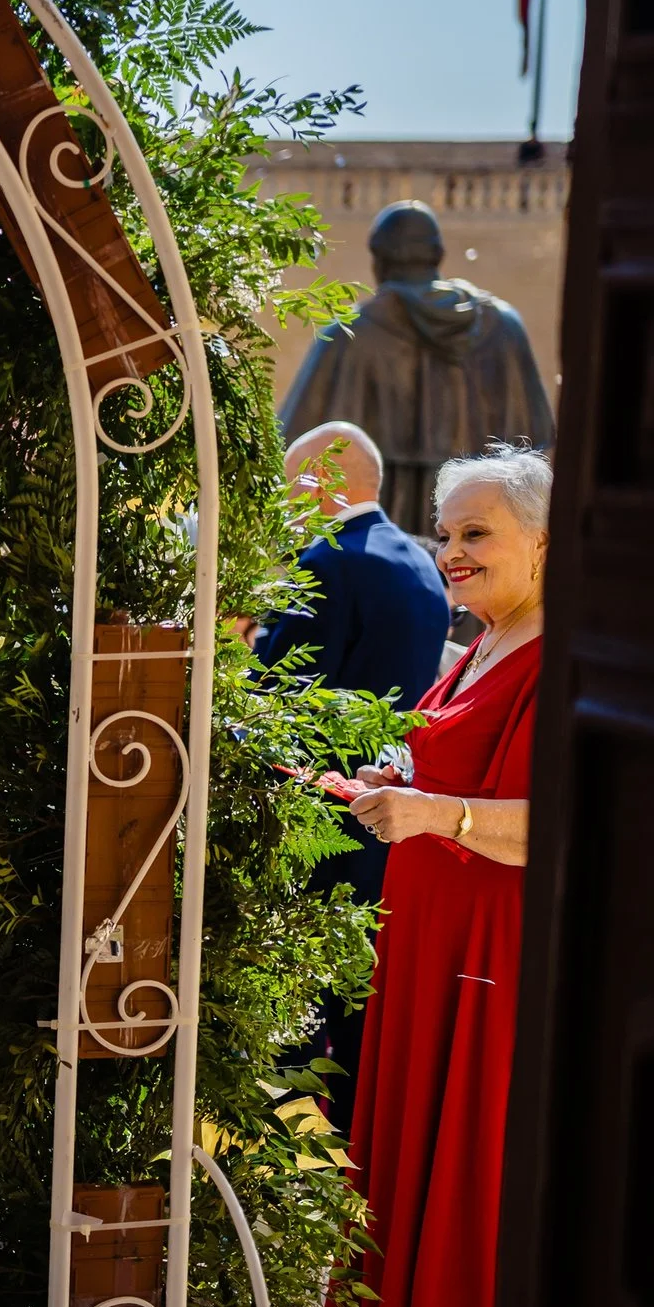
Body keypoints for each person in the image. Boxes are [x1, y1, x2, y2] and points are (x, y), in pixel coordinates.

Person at [343, 444, 548, 1307]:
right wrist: (384, 791)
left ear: (546, 544)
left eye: (476, 533)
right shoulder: (481, 642)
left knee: (465, 1140)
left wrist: (434, 817)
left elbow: (552, 821)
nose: (450, 551)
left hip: (486, 953)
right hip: (426, 936)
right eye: (445, 531)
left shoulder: (558, 655)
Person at [255, 421, 453, 1121]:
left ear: (324, 480)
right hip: (392, 811)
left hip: (316, 821)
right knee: (361, 1001)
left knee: (300, 1010)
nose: (289, 499)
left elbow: (275, 696)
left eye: (293, 483)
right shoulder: (421, 564)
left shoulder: (328, 560)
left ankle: (298, 1143)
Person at [281, 201, 553, 535]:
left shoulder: (347, 335)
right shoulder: (504, 327)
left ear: (379, 261)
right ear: (437, 254)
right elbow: (536, 446)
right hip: (485, 538)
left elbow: (292, 444)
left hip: (377, 548)